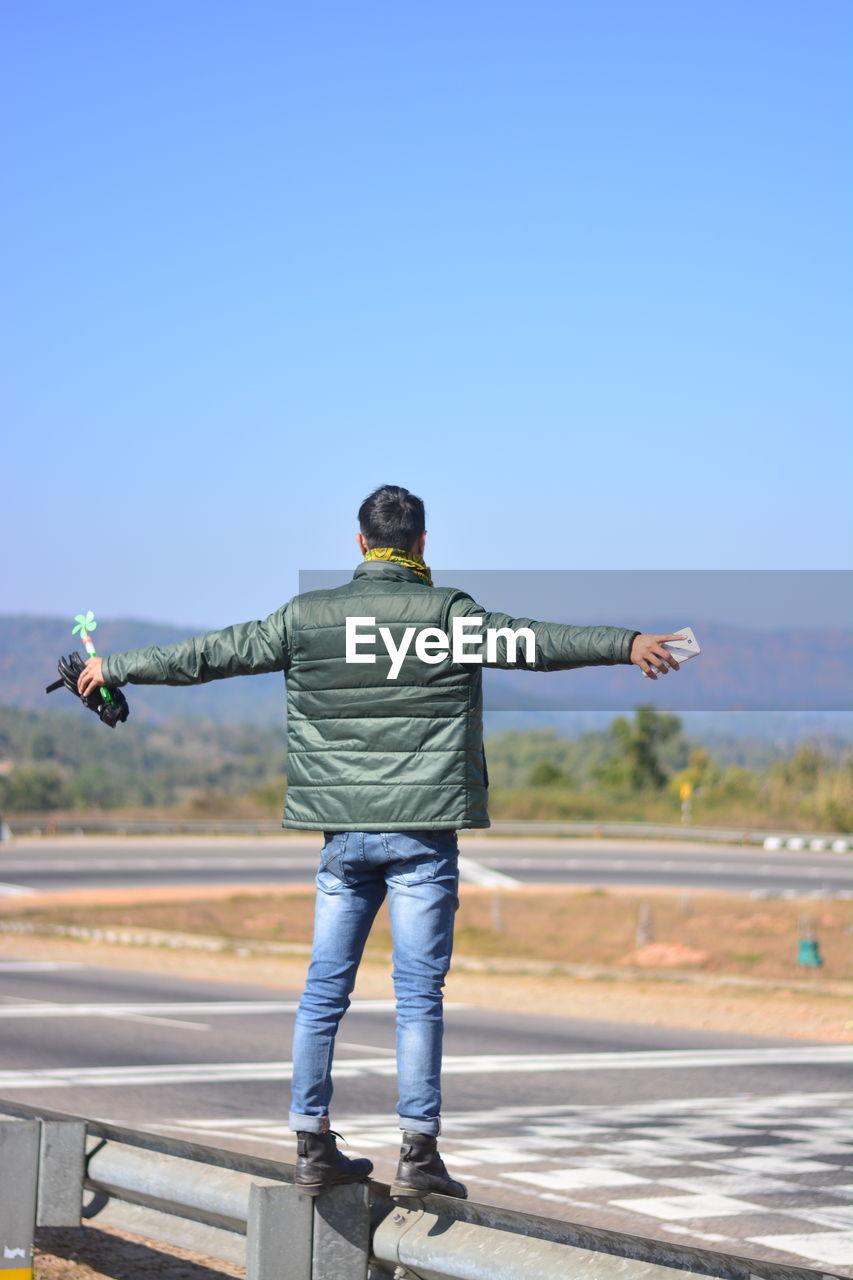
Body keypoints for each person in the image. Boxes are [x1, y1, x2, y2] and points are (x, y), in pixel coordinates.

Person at [78, 484, 684, 1199]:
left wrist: (114, 667)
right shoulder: (450, 616)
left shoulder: (307, 618)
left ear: (360, 544)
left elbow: (210, 654)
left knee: (323, 990)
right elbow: (540, 644)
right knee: (418, 994)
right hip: (423, 835)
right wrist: (627, 645)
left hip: (343, 836)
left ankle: (311, 1142)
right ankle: (419, 1152)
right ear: (421, 544)